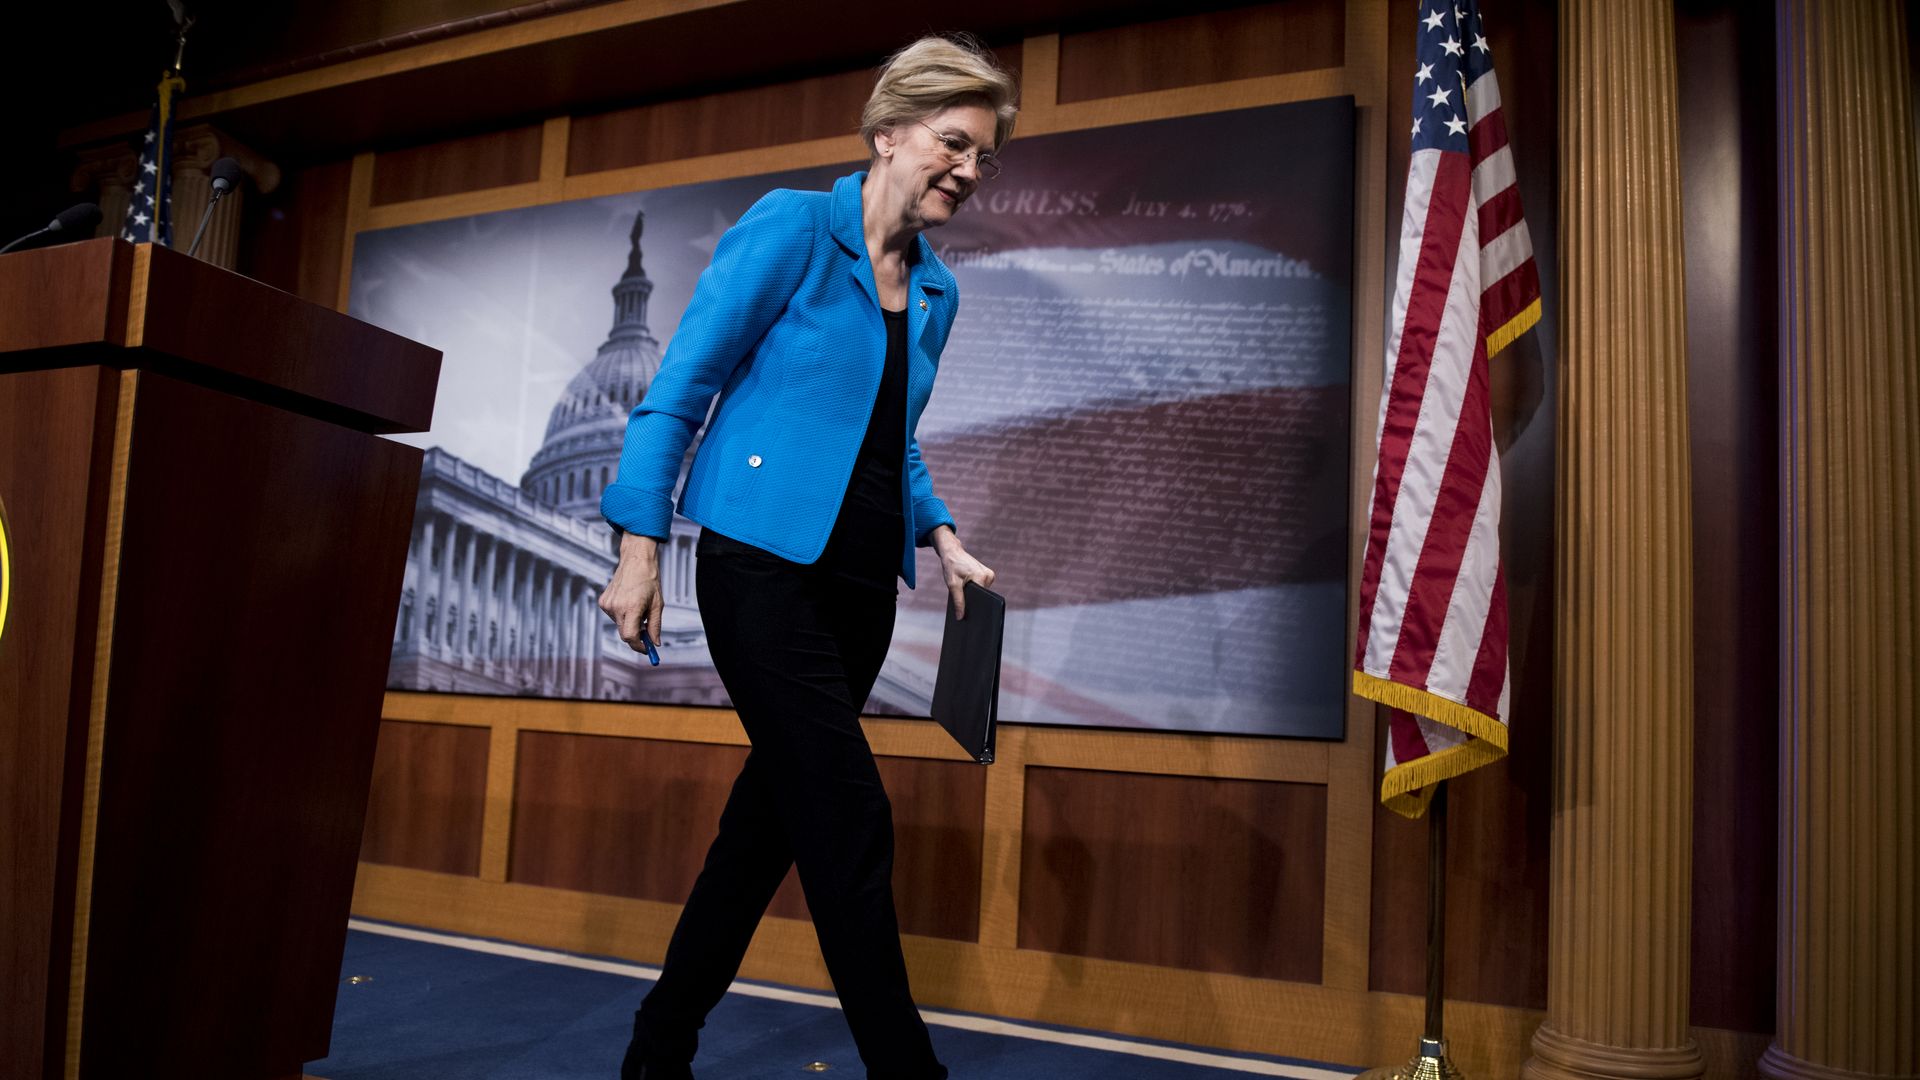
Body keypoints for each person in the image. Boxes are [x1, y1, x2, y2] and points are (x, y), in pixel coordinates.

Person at [596, 33, 1017, 1080]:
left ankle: (657, 1049)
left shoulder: (937, 294)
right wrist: (637, 548)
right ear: (890, 133)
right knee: (848, 813)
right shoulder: (789, 228)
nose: (971, 172)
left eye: (985, 158)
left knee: (766, 832)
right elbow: (680, 385)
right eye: (956, 144)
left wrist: (942, 534)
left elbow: (890, 436)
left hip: (861, 588)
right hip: (757, 569)